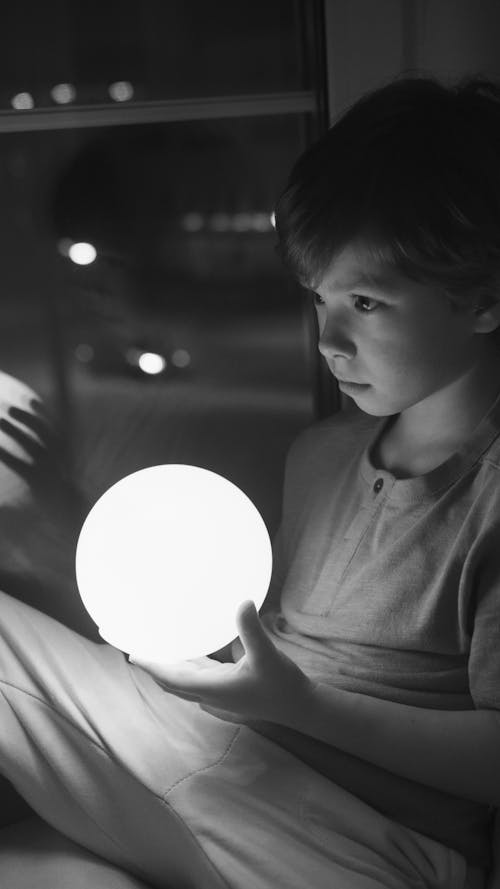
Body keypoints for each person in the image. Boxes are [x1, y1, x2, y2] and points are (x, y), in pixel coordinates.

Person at [1, 75, 499, 889]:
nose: (328, 338)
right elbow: (257, 642)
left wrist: (298, 703)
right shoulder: (321, 454)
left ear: (483, 296)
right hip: (212, 751)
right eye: (317, 296)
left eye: (367, 302)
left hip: (365, 839)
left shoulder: (488, 496)